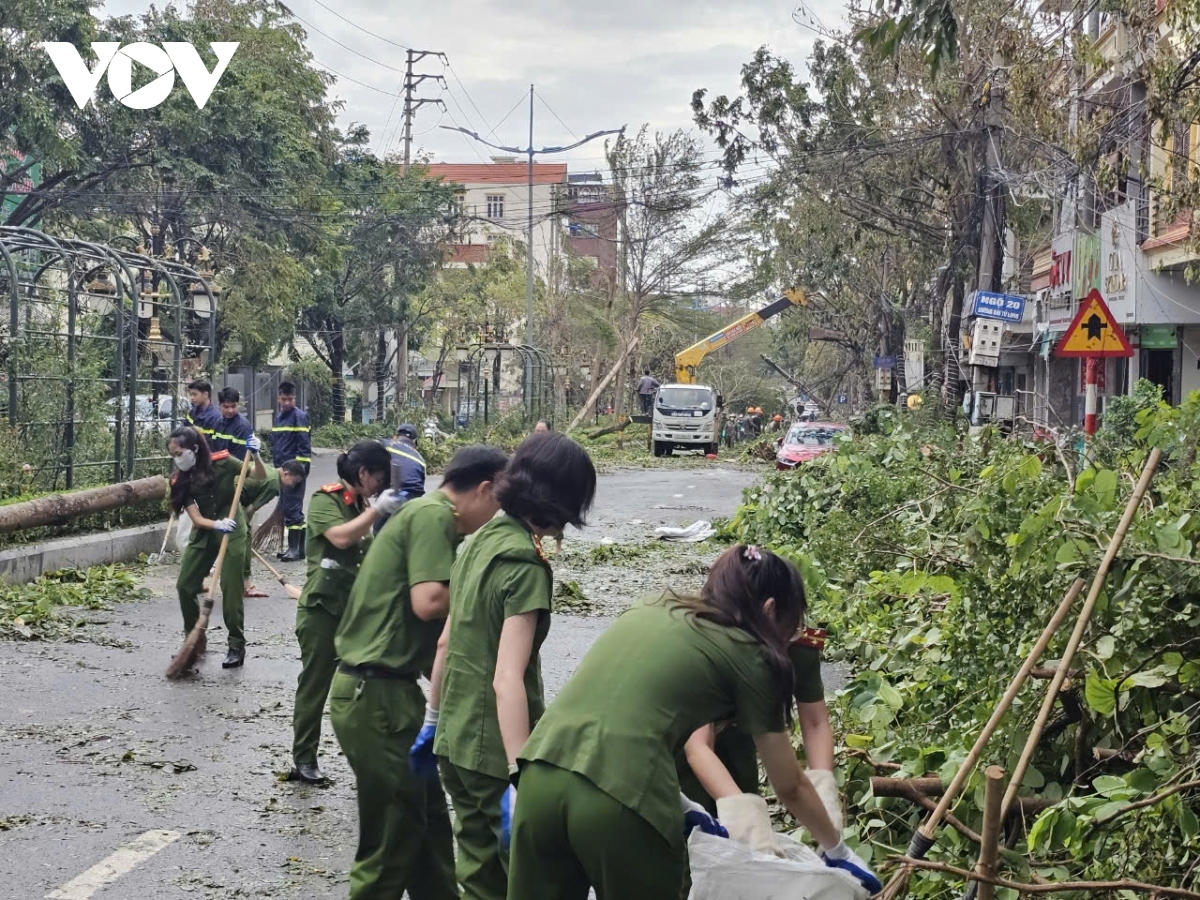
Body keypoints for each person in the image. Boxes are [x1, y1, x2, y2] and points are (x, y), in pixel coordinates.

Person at [507, 546, 881, 899]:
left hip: (538, 777)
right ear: (769, 610)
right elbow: (790, 785)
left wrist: (682, 803)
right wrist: (837, 850)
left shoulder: (651, 607)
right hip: (619, 800)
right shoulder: (749, 656)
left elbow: (631, 716)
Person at [331, 445, 509, 900]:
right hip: (376, 696)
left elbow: (436, 640)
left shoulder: (428, 518)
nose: (496, 517)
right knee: (393, 839)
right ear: (485, 489)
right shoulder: (433, 516)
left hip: (391, 693)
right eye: (500, 504)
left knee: (428, 833)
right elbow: (430, 601)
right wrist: (491, 590)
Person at [431, 432, 597, 900]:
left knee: (478, 875)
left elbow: (446, 640)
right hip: (490, 754)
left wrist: (432, 718)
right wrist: (519, 775)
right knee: (525, 882)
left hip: (453, 740)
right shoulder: (525, 564)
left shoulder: (481, 540)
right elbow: (507, 680)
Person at [290, 440, 403, 784]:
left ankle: (370, 753)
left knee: (368, 683)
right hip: (322, 611)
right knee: (316, 686)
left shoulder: (360, 504)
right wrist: (376, 512)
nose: (384, 482)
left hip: (353, 614)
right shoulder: (327, 499)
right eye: (380, 475)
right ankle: (304, 758)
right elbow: (339, 539)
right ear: (364, 473)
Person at [677, 622, 844, 844]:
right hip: (681, 738)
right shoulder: (711, 641)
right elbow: (698, 746)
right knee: (691, 838)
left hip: (740, 734)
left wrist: (824, 793)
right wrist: (742, 815)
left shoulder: (798, 640)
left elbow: (815, 722)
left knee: (744, 828)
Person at [167, 425, 266, 669]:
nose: (177, 459)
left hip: (233, 529)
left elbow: (258, 475)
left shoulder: (222, 463)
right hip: (207, 529)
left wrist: (256, 455)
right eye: (173, 455)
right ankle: (194, 639)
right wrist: (216, 524)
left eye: (180, 453)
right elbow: (196, 518)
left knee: (230, 587)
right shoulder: (180, 480)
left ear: (195, 449)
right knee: (185, 585)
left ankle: (236, 645)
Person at [269, 382, 312, 562]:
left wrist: (299, 474)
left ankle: (295, 549)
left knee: (292, 510)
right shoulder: (279, 418)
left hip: (294, 473)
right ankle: (298, 550)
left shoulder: (299, 417)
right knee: (291, 510)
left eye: (290, 399)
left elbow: (304, 447)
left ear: (295, 398)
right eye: (284, 399)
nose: (287, 402)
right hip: (282, 471)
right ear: (278, 398)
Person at [211, 387, 256, 460]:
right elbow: (213, 449)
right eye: (226, 407)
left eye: (233, 406)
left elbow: (240, 459)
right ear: (220, 405)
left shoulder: (242, 426)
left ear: (238, 404)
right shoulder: (217, 423)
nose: (230, 410)